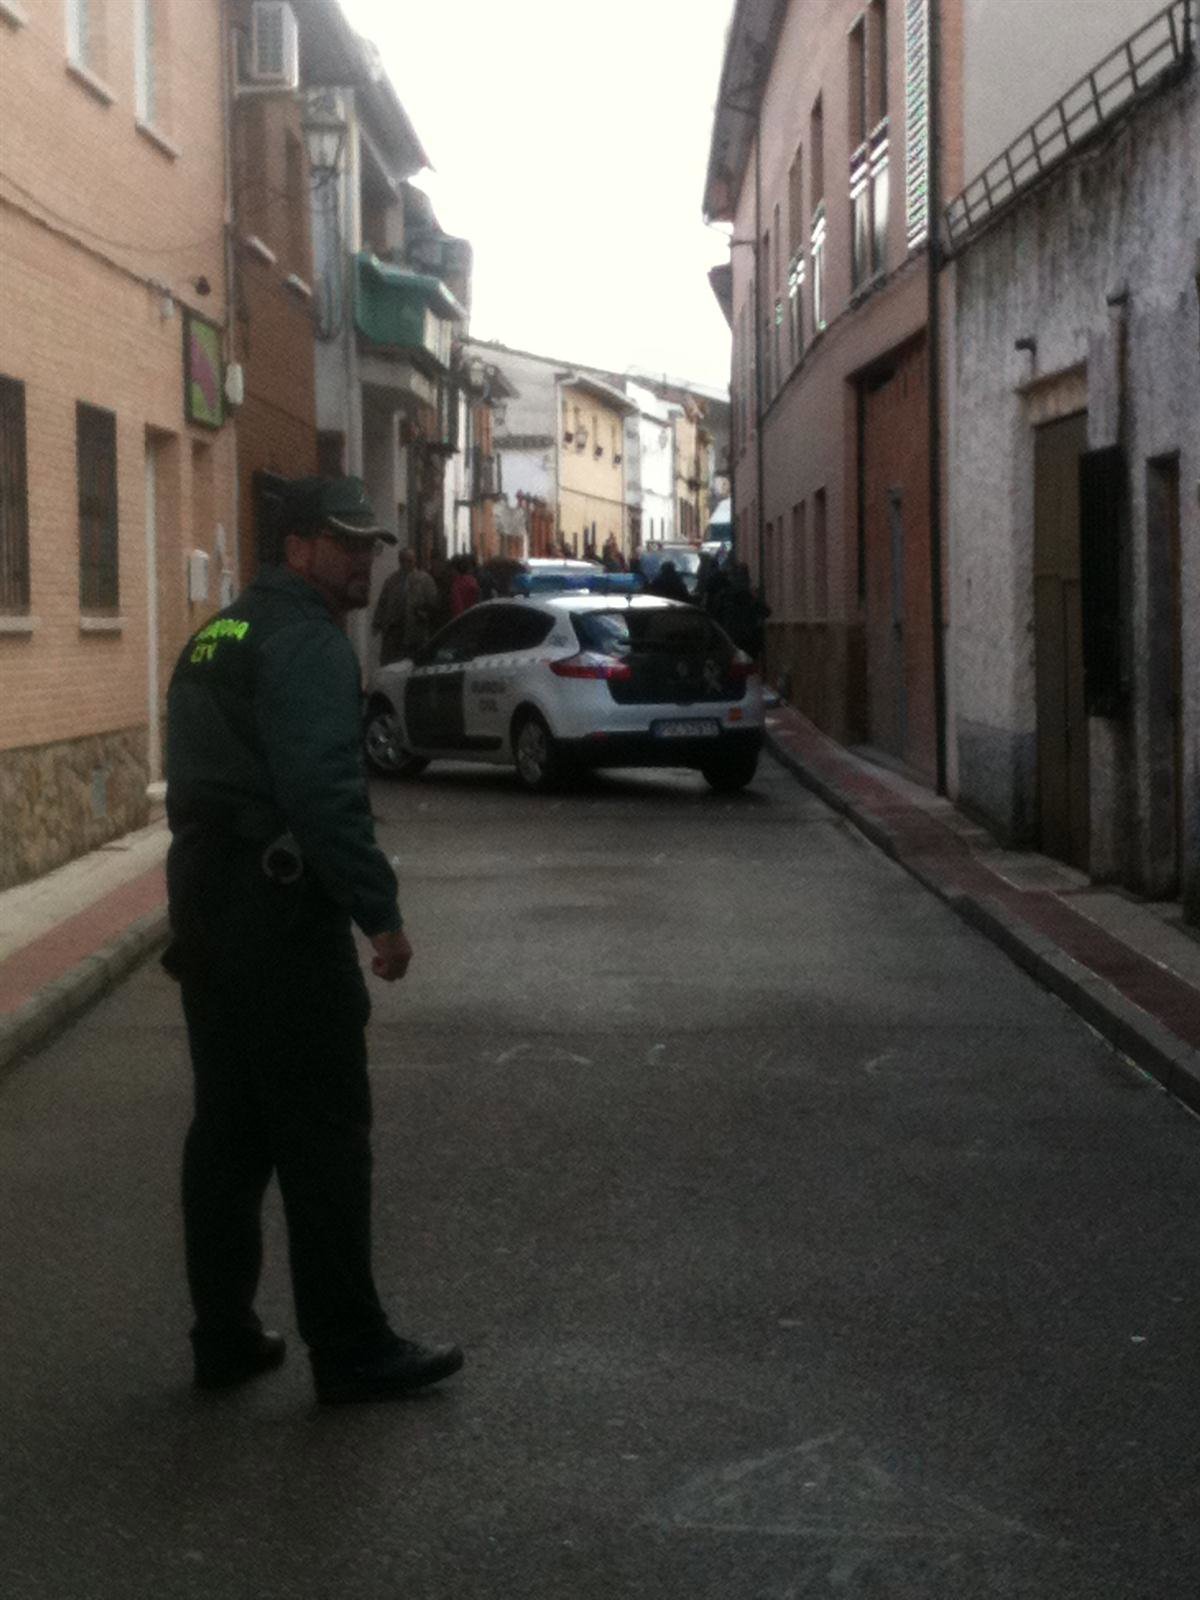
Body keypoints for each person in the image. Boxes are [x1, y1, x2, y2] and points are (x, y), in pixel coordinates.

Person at [163, 475, 463, 1405]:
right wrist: (381, 913)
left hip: (205, 908)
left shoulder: (217, 634)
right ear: (297, 547)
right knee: (326, 1135)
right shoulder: (306, 641)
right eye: (345, 542)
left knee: (229, 1132)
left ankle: (223, 1336)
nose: (364, 559)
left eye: (370, 543)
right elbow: (323, 790)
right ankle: (351, 1348)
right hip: (278, 913)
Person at [370, 546, 413, 665]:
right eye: (407, 561)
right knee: (390, 662)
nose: (410, 564)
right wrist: (377, 623)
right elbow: (383, 602)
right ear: (401, 561)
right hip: (393, 630)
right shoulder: (391, 581)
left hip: (411, 630)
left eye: (411, 561)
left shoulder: (421, 579)